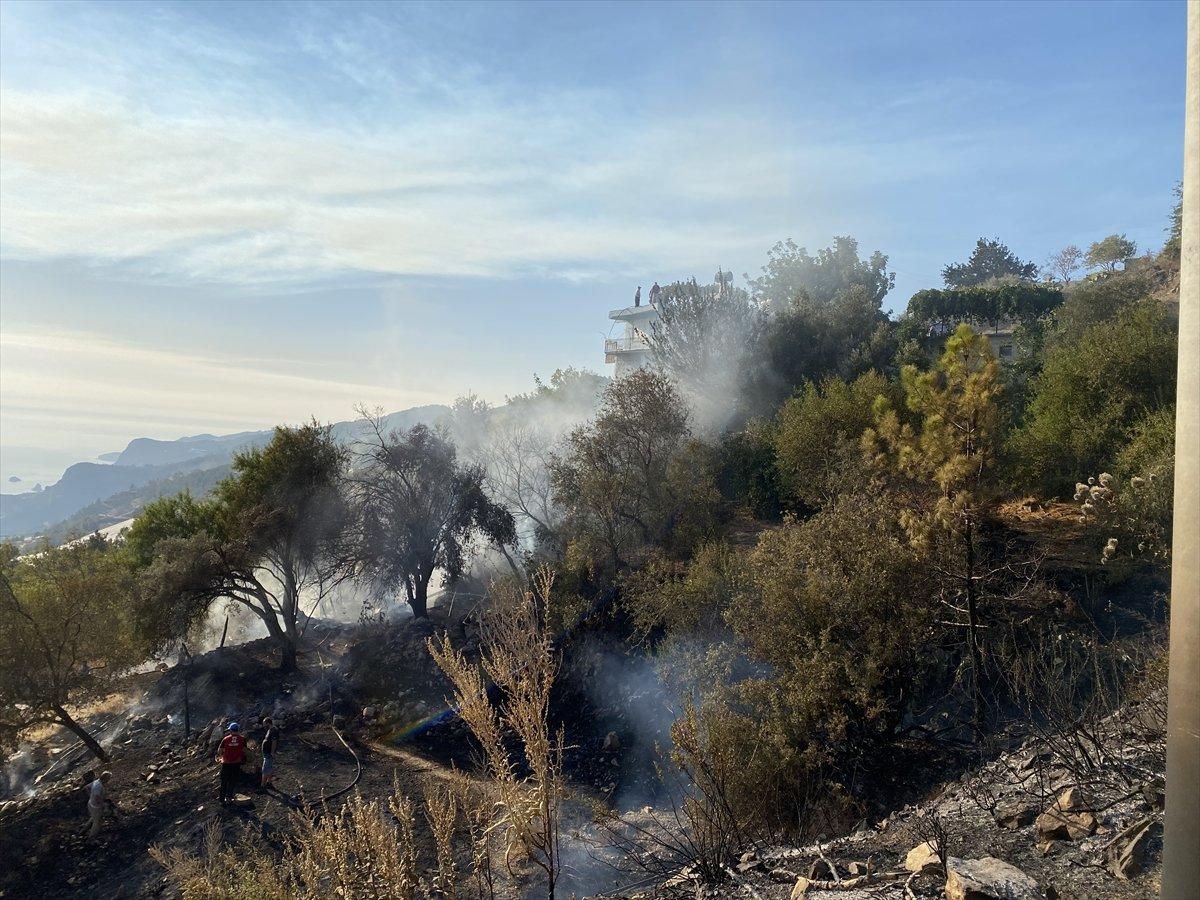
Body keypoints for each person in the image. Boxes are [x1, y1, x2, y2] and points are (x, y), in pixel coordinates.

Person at [216, 721, 246, 804]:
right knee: (232, 781)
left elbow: (220, 750)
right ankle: (229, 798)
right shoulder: (242, 739)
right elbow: (244, 750)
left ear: (231, 730)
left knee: (224, 781)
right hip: (236, 763)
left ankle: (222, 800)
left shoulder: (226, 739)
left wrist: (223, 755)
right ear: (237, 730)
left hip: (226, 763)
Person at [86, 771, 114, 838]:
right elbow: (97, 797)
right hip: (95, 806)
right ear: (106, 778)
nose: (109, 780)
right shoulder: (98, 785)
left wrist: (90, 796)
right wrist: (103, 805)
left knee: (94, 817)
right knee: (97, 822)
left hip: (91, 803)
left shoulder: (97, 781)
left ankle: (83, 830)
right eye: (109, 778)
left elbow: (87, 787)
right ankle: (91, 837)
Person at [259, 717, 279, 789]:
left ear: (268, 723)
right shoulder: (270, 730)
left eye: (264, 723)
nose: (263, 725)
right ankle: (269, 782)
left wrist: (272, 752)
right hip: (267, 752)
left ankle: (262, 786)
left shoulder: (274, 730)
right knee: (269, 768)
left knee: (265, 769)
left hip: (269, 753)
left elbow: (274, 742)